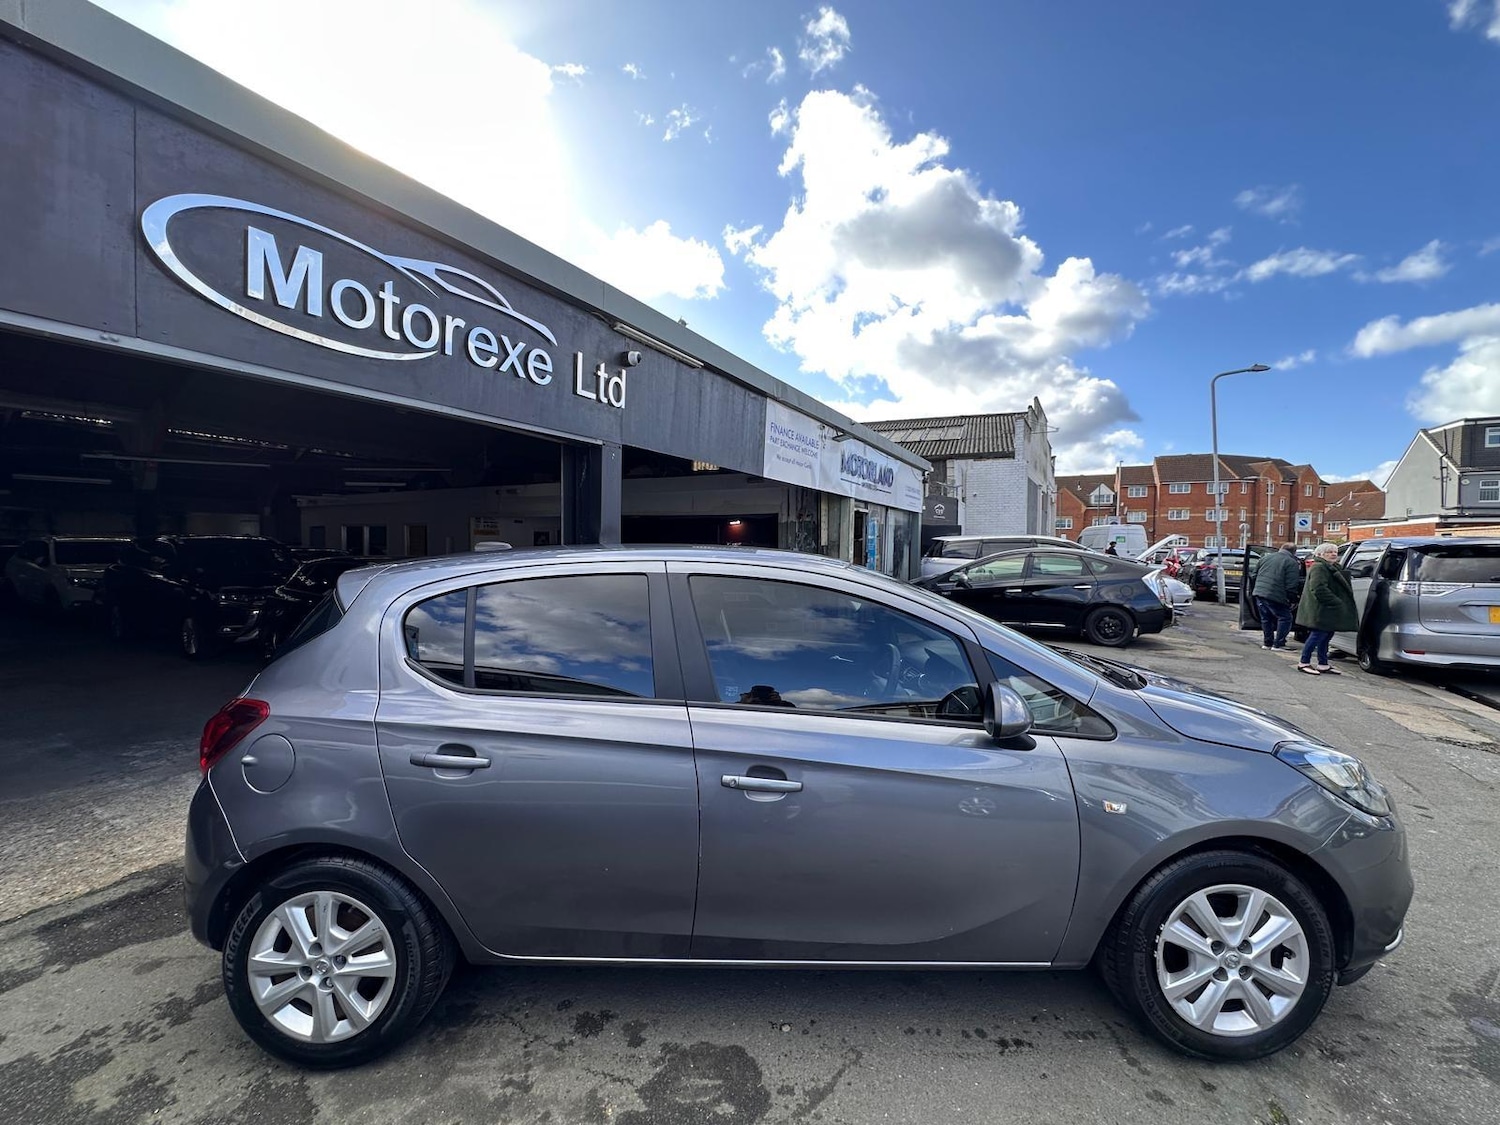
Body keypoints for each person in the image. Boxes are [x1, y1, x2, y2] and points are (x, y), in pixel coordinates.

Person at [1294, 542, 1358, 675]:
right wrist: (1336, 602)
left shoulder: (1331, 566)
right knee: (1317, 635)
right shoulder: (1319, 567)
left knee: (1327, 635)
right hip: (1321, 609)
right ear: (1320, 554)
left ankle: (1323, 664)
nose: (1334, 554)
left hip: (1328, 609)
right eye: (1329, 552)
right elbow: (1318, 588)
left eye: (1335, 551)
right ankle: (1304, 662)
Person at [1252, 542, 1301, 650]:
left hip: (1260, 592)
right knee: (1285, 618)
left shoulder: (1265, 558)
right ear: (1294, 552)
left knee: (1266, 619)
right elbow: (1292, 584)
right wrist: (1293, 599)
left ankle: (1267, 643)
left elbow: (1254, 575)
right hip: (1276, 594)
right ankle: (1279, 644)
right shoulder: (1291, 562)